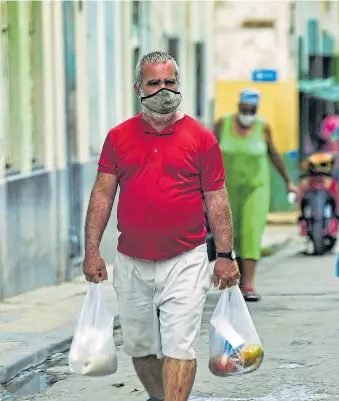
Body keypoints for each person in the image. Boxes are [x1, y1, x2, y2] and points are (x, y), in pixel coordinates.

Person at [83, 51, 240, 401]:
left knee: (179, 344)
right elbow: (102, 195)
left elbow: (217, 200)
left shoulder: (201, 139)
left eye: (170, 82)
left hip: (185, 258)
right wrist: (91, 251)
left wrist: (226, 255)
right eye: (154, 83)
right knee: (140, 346)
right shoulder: (118, 137)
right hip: (132, 260)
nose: (163, 90)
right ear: (138, 87)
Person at [212, 88, 297, 302]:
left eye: (251, 109)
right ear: (238, 106)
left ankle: (248, 284)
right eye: (244, 108)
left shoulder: (263, 127)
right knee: (232, 234)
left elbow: (274, 155)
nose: (247, 113)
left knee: (251, 232)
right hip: (226, 189)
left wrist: (288, 181)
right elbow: (207, 152)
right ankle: (234, 279)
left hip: (256, 189)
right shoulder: (223, 124)